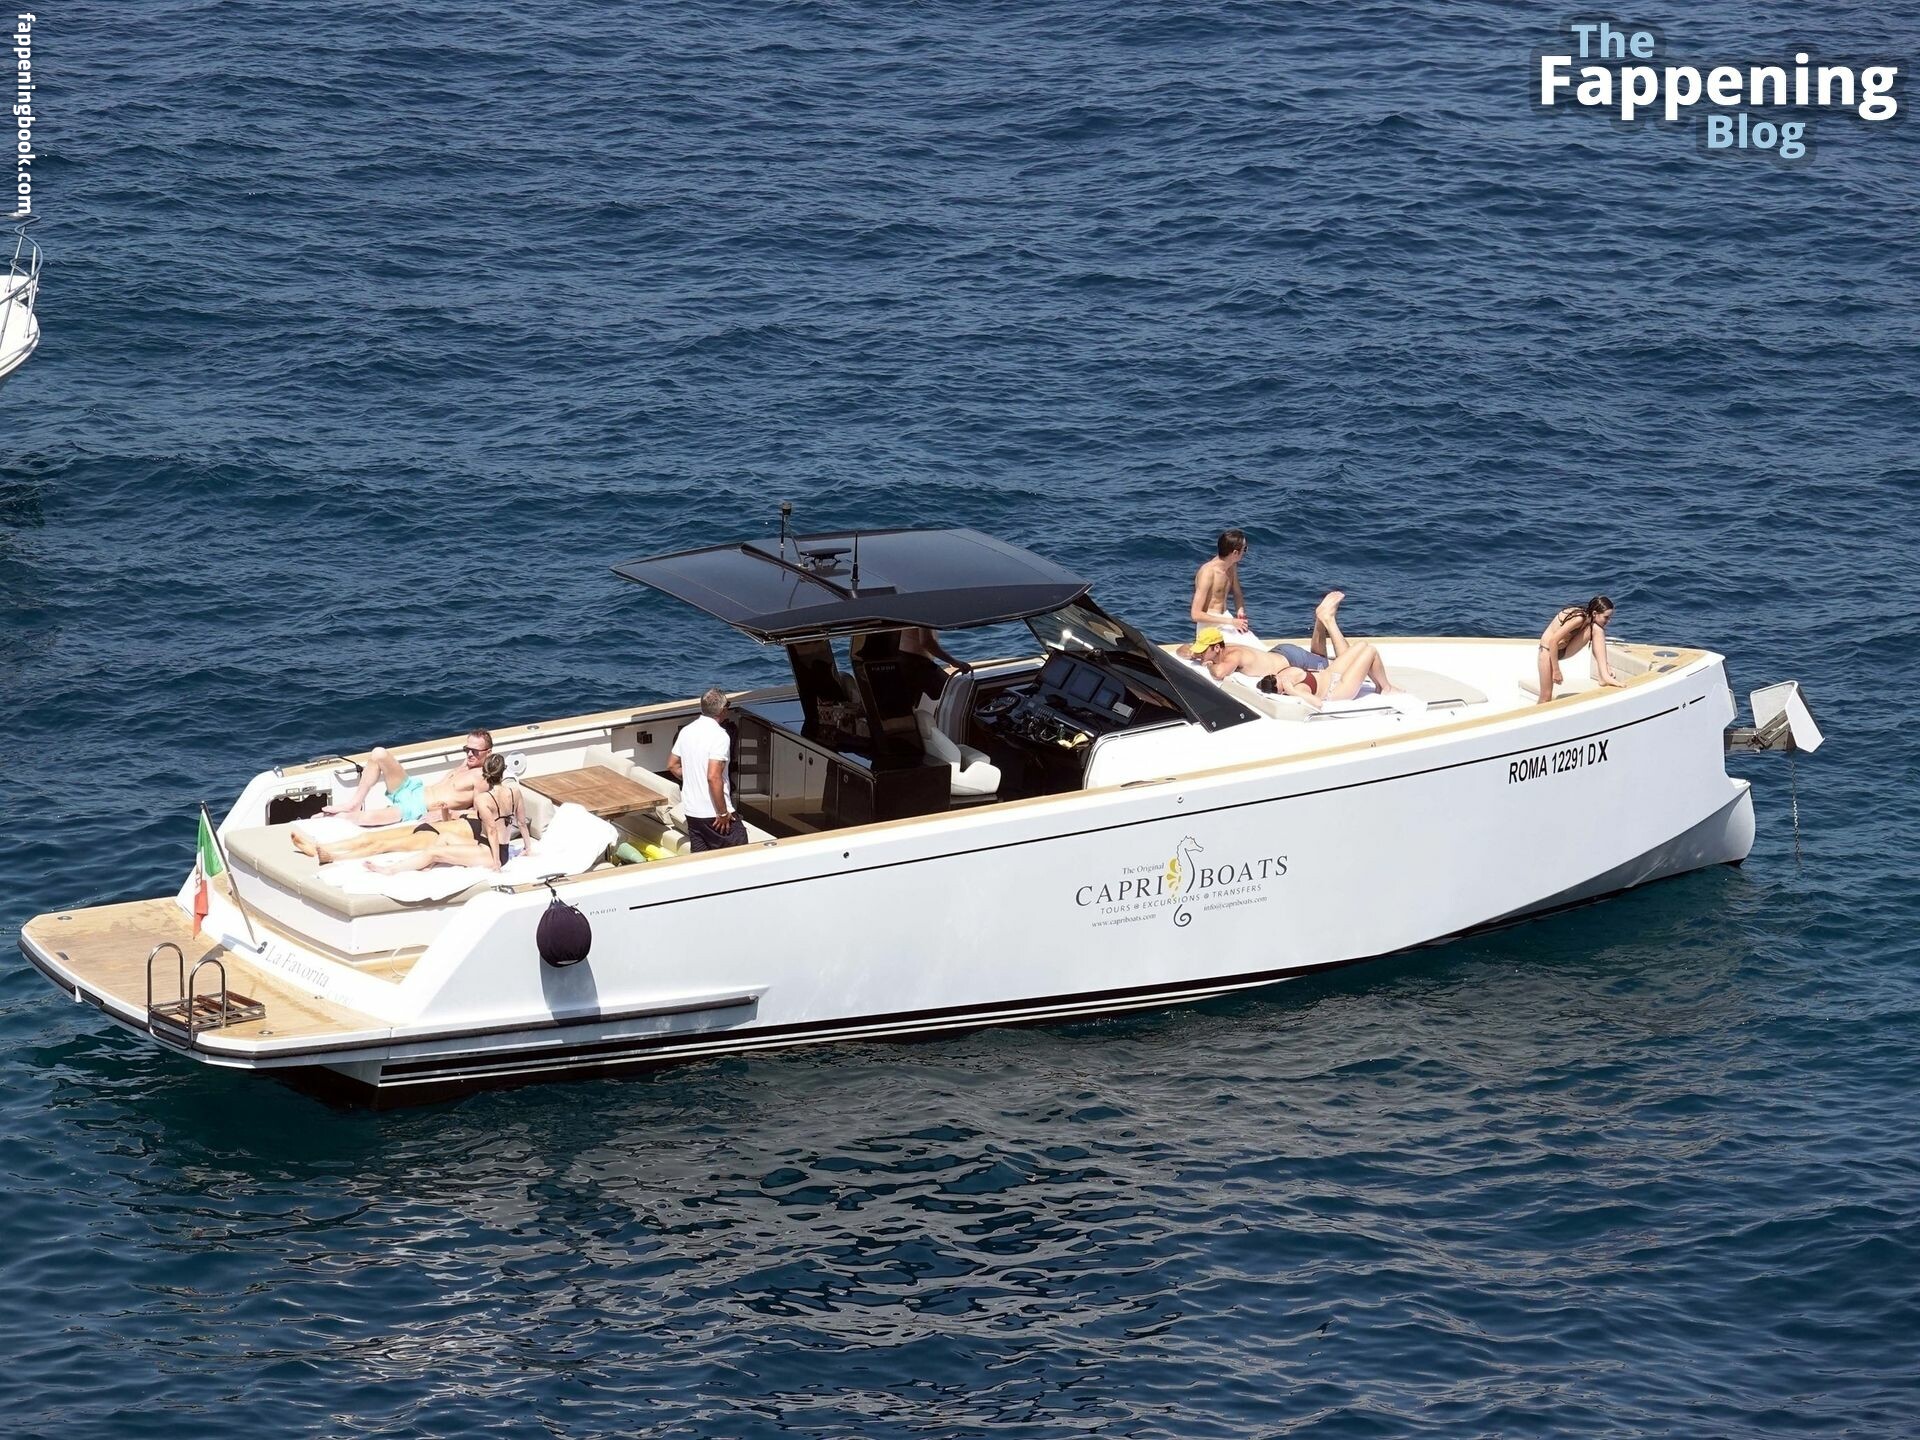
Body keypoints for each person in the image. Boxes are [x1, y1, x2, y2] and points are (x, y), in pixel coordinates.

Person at [297, 756, 532, 869]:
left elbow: (494, 829)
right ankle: (322, 847)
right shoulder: (494, 797)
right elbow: (516, 824)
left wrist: (498, 863)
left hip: (443, 835)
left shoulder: (484, 801)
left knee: (385, 845)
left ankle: (332, 856)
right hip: (444, 829)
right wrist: (447, 813)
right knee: (372, 836)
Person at [324, 728, 497, 827]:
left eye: (475, 751)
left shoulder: (481, 778)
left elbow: (479, 812)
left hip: (416, 808)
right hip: (412, 789)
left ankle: (326, 819)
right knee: (379, 753)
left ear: (488, 753)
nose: (470, 754)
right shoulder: (467, 763)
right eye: (467, 749)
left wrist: (448, 813)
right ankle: (354, 803)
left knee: (365, 819)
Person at [1188, 627, 1390, 708]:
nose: (1281, 682)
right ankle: (1385, 688)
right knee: (1367, 649)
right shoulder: (1295, 690)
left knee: (1358, 648)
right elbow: (1318, 703)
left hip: (1318, 669)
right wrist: (1293, 690)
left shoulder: (1281, 674)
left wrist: (1207, 662)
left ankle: (1325, 622)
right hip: (1337, 688)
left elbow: (1219, 672)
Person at [668, 687, 745, 852]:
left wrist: (693, 778)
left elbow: (673, 765)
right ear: (722, 710)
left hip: (692, 812)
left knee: (701, 859)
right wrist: (722, 813)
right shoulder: (720, 736)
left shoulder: (686, 731)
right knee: (741, 852)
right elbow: (713, 777)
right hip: (714, 814)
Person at [1536, 595, 1621, 704]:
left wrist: (1606, 666)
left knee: (1597, 630)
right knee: (1546, 697)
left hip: (1564, 649)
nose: (1609, 621)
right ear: (1595, 613)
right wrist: (1556, 671)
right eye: (1606, 617)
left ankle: (1604, 676)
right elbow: (1553, 641)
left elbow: (1597, 647)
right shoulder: (1579, 619)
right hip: (1547, 652)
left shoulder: (1590, 622)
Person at [1190, 529, 1262, 649]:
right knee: (1242, 651)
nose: (1245, 552)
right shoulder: (1208, 572)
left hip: (1226, 619)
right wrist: (1231, 622)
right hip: (1209, 626)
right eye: (1244, 549)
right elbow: (1195, 614)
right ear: (1235, 553)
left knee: (1257, 647)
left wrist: (1240, 611)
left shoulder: (1232, 566)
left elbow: (1237, 593)